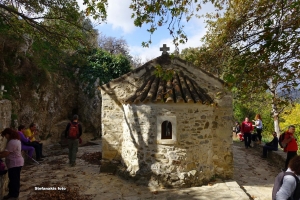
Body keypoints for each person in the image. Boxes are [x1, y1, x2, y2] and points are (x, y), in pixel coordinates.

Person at [0, 128, 24, 200]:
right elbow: (7, 151)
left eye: (5, 135)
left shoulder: (12, 142)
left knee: (14, 180)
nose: (5, 137)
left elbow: (6, 153)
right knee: (14, 179)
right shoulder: (16, 140)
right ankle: (12, 193)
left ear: (8, 134)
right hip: (17, 163)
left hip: (15, 163)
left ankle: (14, 195)